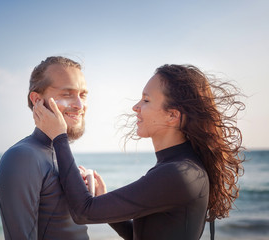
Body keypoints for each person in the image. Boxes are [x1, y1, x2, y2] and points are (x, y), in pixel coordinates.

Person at [33, 64, 245, 240]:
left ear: (172, 115)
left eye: (146, 100)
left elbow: (83, 212)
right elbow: (139, 235)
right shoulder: (180, 167)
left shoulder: (179, 173)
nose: (136, 107)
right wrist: (104, 200)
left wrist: (59, 137)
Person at [0, 56, 90, 239]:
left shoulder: (58, 153)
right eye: (67, 94)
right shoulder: (23, 157)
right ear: (37, 99)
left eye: (83, 95)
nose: (80, 105)